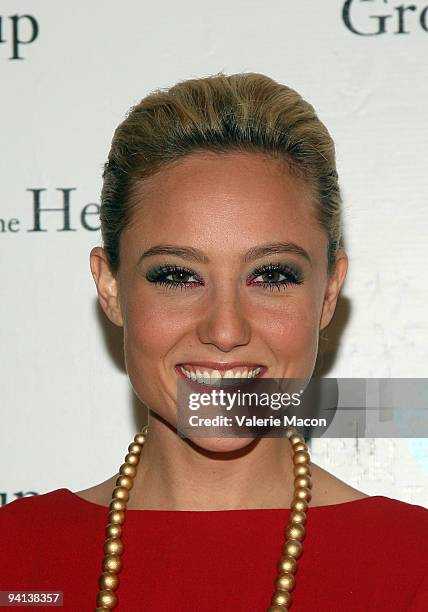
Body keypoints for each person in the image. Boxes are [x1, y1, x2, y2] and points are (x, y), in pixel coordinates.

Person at [1, 71, 427, 611]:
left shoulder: (414, 565)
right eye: (177, 276)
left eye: (272, 275)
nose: (225, 331)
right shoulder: (13, 558)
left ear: (328, 292)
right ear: (110, 286)